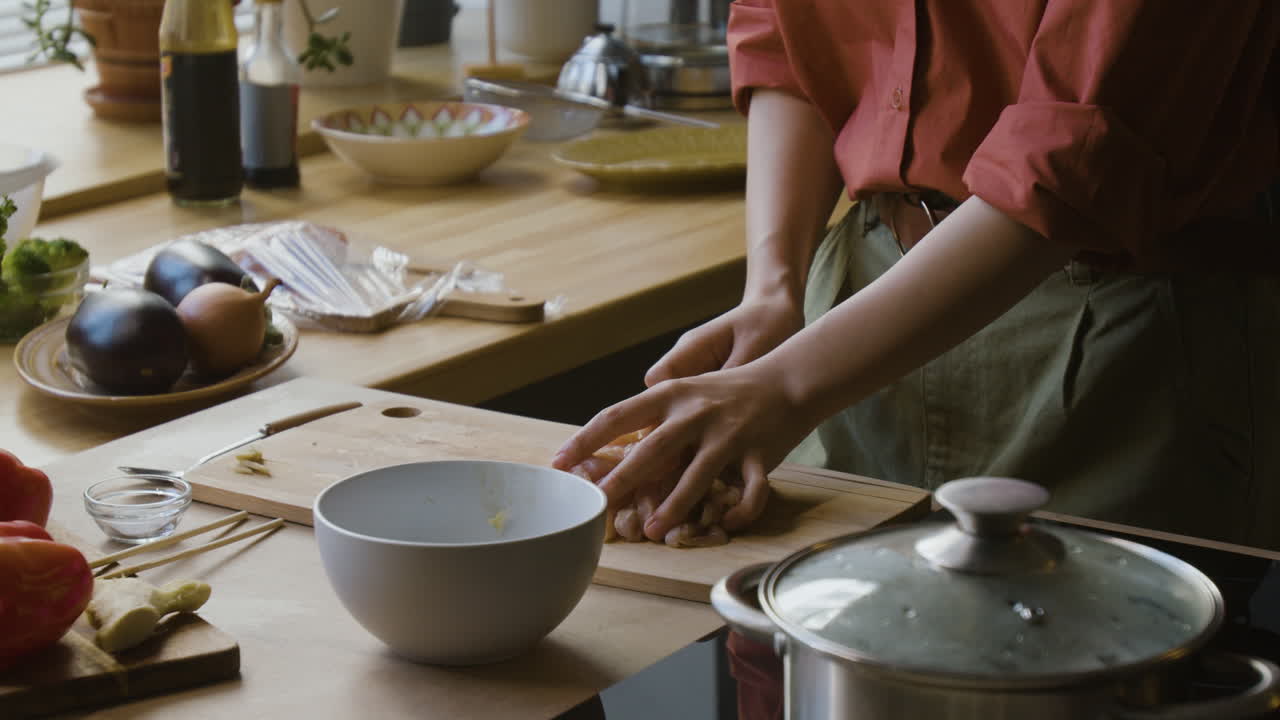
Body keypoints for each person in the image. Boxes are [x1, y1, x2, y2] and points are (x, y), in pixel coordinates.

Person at [553, 1, 1277, 712]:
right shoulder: (798, 352)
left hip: (1118, 327)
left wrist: (788, 386)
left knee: (1084, 672)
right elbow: (781, 35)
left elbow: (1079, 147)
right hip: (851, 293)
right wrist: (776, 290)